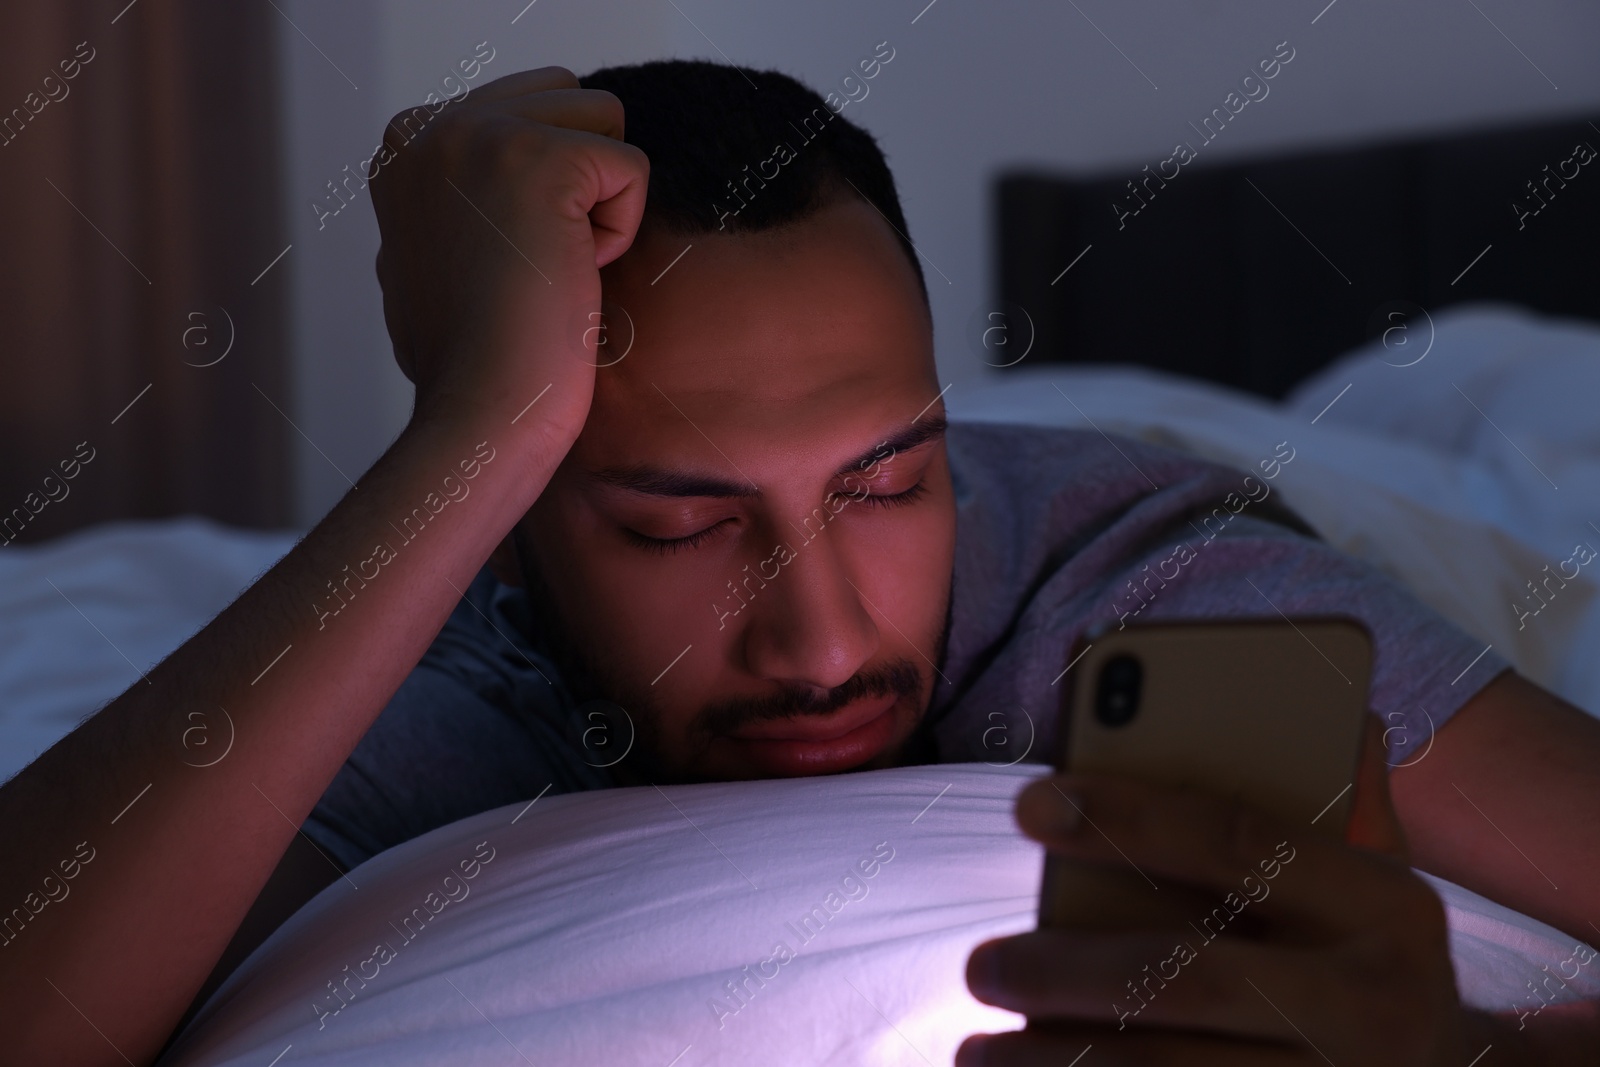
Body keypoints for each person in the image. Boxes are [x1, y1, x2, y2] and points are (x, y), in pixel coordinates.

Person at [1, 58, 1597, 1065]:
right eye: (675, 524)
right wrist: (469, 430)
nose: (821, 642)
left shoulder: (1142, 588)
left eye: (892, 482)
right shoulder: (465, 672)